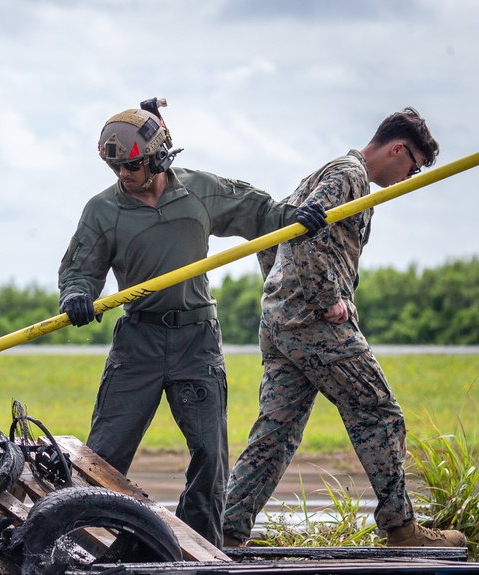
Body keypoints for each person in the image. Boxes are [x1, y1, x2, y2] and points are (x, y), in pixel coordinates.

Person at [57, 98, 327, 548]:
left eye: (132, 167)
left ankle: (197, 546)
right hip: (138, 341)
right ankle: (76, 543)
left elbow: (259, 213)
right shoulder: (103, 210)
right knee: (102, 454)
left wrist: (295, 219)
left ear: (159, 157)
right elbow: (80, 269)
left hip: (196, 341)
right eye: (116, 170)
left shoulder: (200, 191)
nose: (124, 176)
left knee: (210, 452)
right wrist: (77, 296)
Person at [222, 108, 465, 549]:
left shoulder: (330, 172)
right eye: (412, 166)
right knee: (379, 411)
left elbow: (277, 231)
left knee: (276, 434)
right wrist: (325, 297)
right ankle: (402, 527)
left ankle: (228, 529)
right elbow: (302, 233)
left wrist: (278, 294)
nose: (410, 177)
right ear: (396, 148)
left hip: (282, 322)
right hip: (313, 323)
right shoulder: (349, 176)